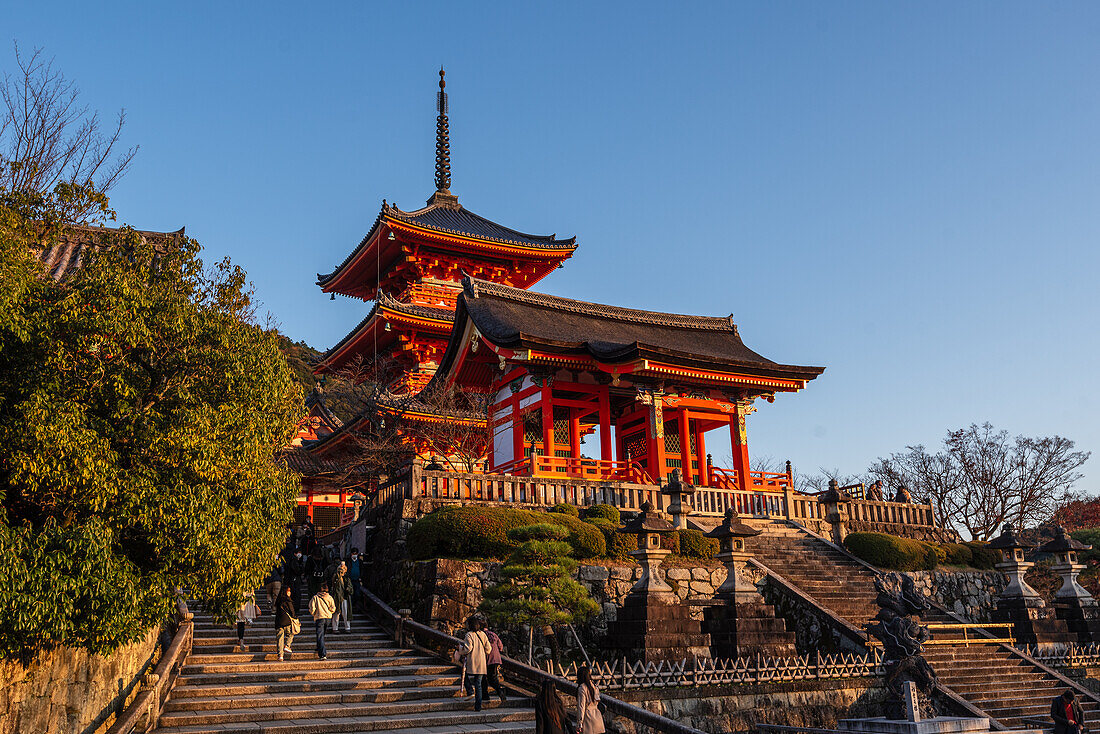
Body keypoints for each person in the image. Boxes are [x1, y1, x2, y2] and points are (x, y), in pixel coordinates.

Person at [461, 617, 492, 711]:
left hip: (473, 662)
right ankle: (478, 706)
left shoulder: (469, 635)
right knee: (478, 684)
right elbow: (489, 649)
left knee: (464, 675)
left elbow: (468, 648)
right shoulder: (483, 634)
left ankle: (470, 691)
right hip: (482, 663)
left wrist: (460, 649)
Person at [308, 582, 336, 660]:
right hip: (328, 618)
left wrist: (314, 614)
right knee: (322, 635)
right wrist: (329, 612)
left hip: (319, 617)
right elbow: (333, 608)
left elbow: (312, 608)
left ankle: (322, 654)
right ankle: (319, 647)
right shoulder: (330, 597)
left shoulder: (315, 597)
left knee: (320, 635)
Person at [575, 665, 605, 734]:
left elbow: (581, 707)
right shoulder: (594, 686)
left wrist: (579, 723)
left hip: (588, 718)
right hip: (597, 718)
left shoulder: (582, 688)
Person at [483, 622, 507, 703]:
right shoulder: (493, 634)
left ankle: (496, 691)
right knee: (493, 676)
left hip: (487, 658)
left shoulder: (482, 635)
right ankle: (497, 691)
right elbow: (500, 646)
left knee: (487, 678)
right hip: (496, 658)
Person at [274, 584, 298, 662]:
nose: (290, 593)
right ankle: (287, 646)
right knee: (291, 633)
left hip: (278, 621)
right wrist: (295, 618)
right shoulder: (288, 600)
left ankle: (280, 655)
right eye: (289, 591)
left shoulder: (278, 600)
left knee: (280, 638)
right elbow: (292, 611)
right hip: (287, 621)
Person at [329, 561, 353, 633]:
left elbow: (350, 587)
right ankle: (335, 628)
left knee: (346, 613)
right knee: (336, 613)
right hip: (337, 596)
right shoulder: (336, 577)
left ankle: (347, 627)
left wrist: (348, 589)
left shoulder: (347, 578)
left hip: (345, 597)